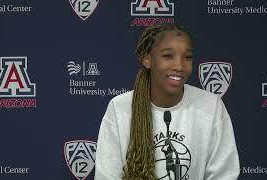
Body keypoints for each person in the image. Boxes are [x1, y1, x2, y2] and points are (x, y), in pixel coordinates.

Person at [95, 24, 240, 180]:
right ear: (147, 59)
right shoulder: (120, 108)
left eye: (187, 57)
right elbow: (107, 175)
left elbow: (225, 174)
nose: (179, 66)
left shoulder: (211, 106)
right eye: (168, 56)